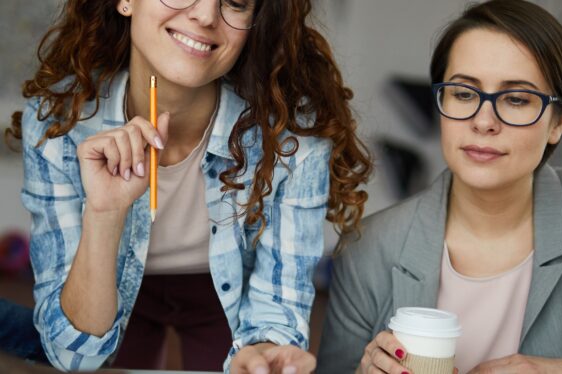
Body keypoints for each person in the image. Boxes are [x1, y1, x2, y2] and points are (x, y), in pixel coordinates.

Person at [8, 0, 371, 372]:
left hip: (223, 293)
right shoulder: (57, 124)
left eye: (235, 2)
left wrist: (264, 350)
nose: (206, 15)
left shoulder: (294, 138)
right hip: (117, 288)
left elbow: (277, 313)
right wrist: (104, 213)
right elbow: (73, 357)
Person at [317, 1, 562, 373]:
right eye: (464, 94)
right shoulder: (368, 247)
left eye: (515, 99)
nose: (484, 122)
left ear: (558, 122)